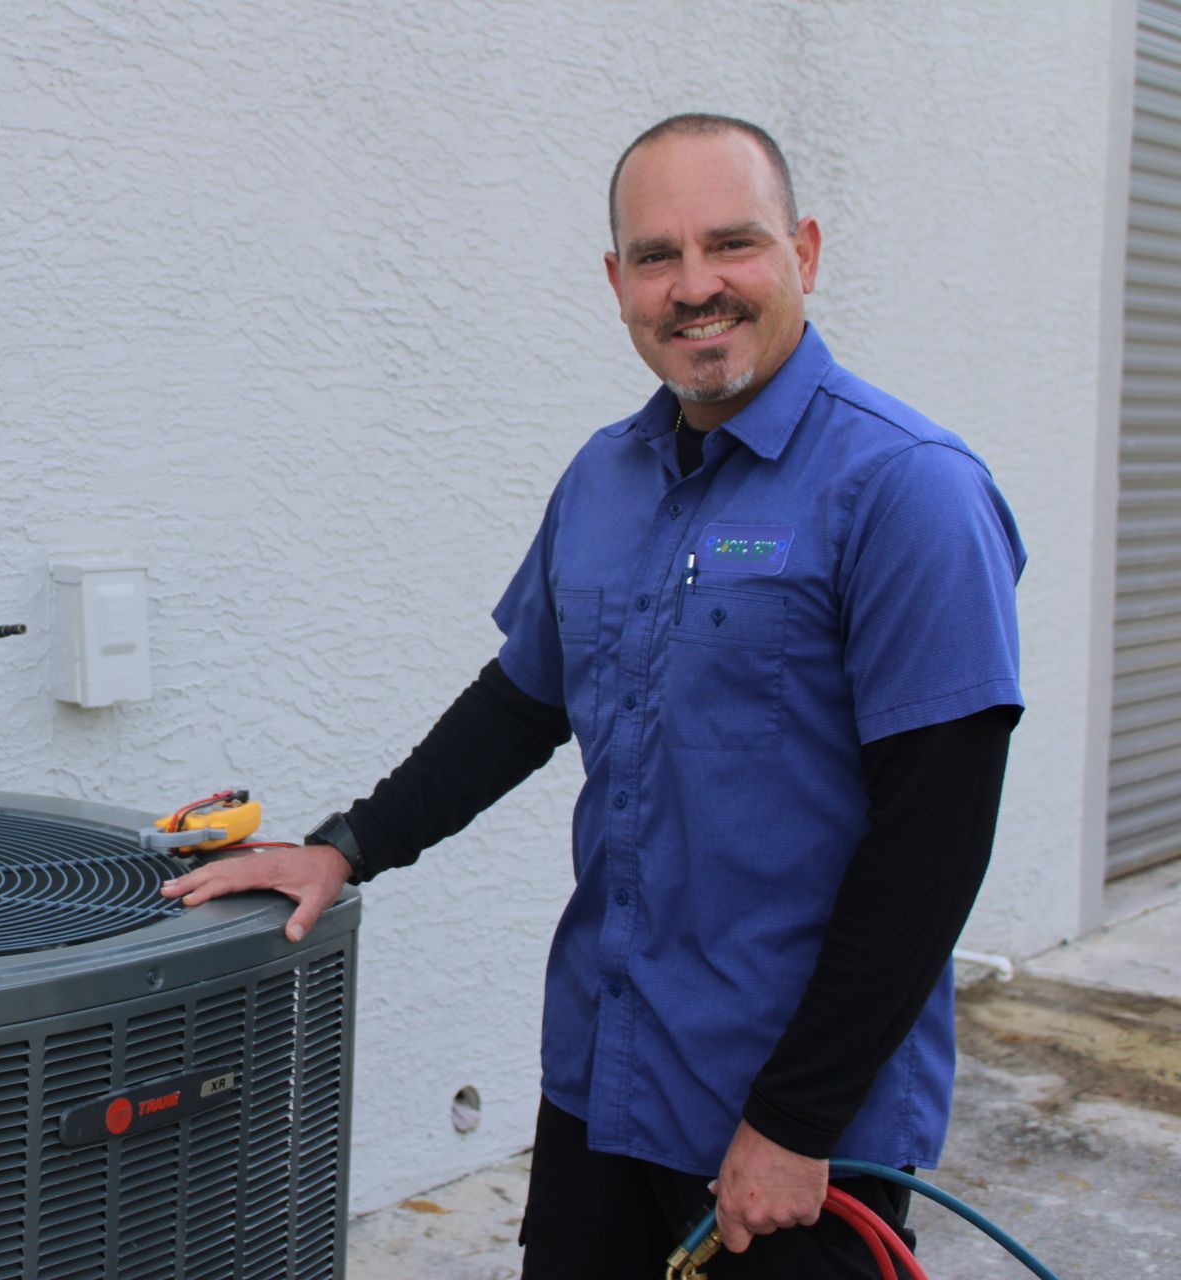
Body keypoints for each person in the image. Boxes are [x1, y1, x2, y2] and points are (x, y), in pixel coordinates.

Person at [161, 113, 1024, 1278]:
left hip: (790, 1136)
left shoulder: (909, 491)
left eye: (734, 244)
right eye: (657, 256)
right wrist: (347, 846)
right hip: (605, 1086)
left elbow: (934, 845)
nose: (696, 286)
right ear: (617, 281)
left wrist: (797, 1118)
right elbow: (523, 701)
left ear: (805, 254)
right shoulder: (606, 478)